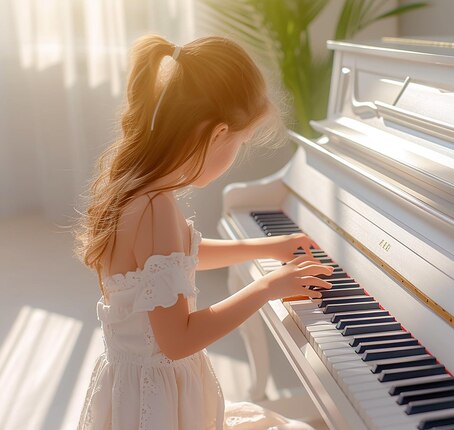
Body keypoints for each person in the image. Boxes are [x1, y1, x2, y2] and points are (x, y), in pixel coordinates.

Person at [73, 34, 333, 430]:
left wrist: (268, 246)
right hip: (160, 412)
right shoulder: (156, 208)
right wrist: (266, 288)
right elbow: (177, 341)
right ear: (218, 134)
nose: (234, 157)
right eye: (240, 144)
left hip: (139, 395)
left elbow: (171, 263)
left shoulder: (137, 187)